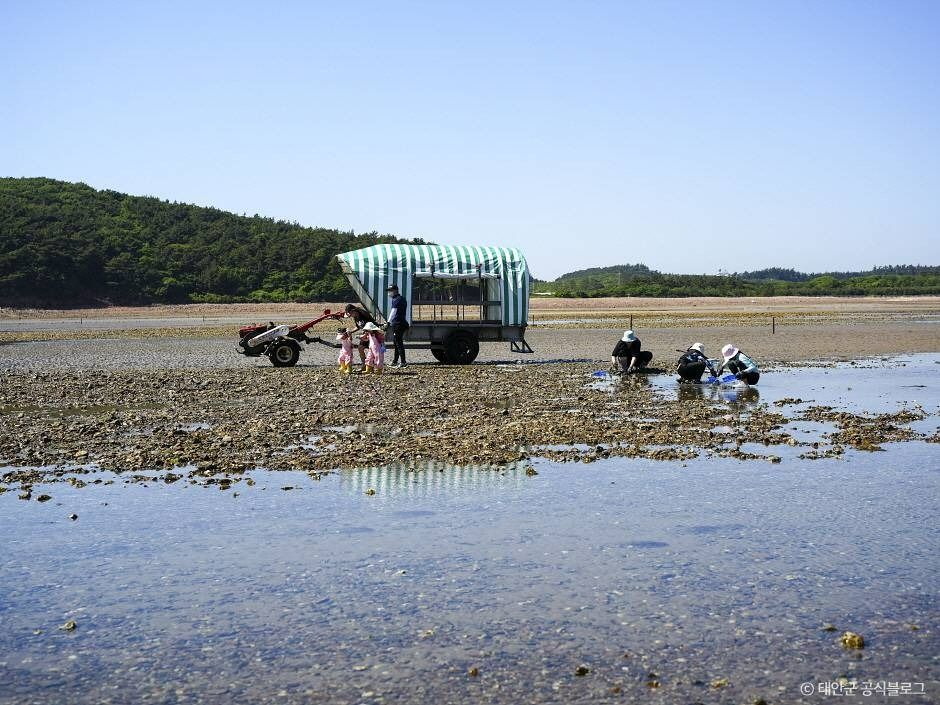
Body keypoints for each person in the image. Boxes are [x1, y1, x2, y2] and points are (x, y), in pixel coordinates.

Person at [344, 303, 376, 371]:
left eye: (350, 313)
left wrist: (366, 333)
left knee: (372, 350)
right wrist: (351, 332)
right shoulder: (356, 317)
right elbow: (358, 326)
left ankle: (370, 366)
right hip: (365, 335)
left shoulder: (363, 315)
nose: (350, 316)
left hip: (372, 335)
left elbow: (371, 325)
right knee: (360, 348)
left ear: (353, 311)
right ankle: (364, 365)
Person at [386, 284, 409, 368]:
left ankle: (403, 362)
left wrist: (388, 322)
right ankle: (395, 361)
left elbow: (393, 311)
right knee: (396, 343)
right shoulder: (402, 298)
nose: (389, 293)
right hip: (401, 323)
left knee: (398, 343)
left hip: (398, 324)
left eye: (390, 291)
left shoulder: (396, 299)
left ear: (395, 291)